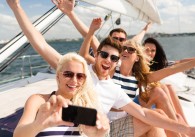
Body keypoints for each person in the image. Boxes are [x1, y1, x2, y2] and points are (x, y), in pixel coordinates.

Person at [7, 0, 195, 137]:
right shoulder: (82, 72)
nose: (108, 59)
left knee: (153, 120)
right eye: (103, 54)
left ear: (117, 62)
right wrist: (16, 7)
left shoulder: (114, 88)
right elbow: (41, 44)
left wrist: (186, 129)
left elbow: (144, 113)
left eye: (114, 58)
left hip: (100, 129)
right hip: (83, 124)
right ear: (95, 55)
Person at [13, 52, 109, 137]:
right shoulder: (38, 101)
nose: (74, 80)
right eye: (68, 74)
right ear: (58, 76)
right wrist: (38, 125)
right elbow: (18, 135)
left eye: (80, 76)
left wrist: (97, 135)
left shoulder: (86, 106)